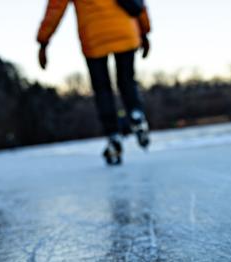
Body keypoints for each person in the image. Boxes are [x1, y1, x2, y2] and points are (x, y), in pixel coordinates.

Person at [37, 0, 152, 165]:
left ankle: (113, 136)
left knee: (102, 89)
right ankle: (136, 115)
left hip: (93, 36)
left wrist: (43, 41)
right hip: (125, 29)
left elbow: (55, 8)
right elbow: (137, 3)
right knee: (127, 81)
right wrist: (145, 30)